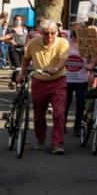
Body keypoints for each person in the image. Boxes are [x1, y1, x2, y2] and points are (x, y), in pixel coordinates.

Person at [18, 19, 69, 153]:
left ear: (57, 32)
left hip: (58, 80)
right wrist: (22, 73)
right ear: (41, 33)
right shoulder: (33, 43)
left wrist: (55, 69)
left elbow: (62, 60)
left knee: (58, 113)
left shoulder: (63, 42)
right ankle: (40, 139)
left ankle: (57, 143)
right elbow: (26, 59)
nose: (50, 36)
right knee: (39, 114)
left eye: (53, 33)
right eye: (46, 33)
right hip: (39, 81)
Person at [65, 23, 93, 137]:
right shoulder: (66, 43)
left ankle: (77, 126)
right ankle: (62, 124)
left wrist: (91, 67)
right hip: (67, 77)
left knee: (81, 102)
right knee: (66, 102)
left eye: (82, 31)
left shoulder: (89, 45)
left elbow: (94, 59)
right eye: (78, 32)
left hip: (82, 78)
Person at [4, 14, 29, 83]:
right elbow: (5, 39)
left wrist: (27, 46)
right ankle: (18, 82)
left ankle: (14, 80)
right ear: (14, 20)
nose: (18, 21)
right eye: (17, 20)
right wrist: (10, 41)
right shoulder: (10, 29)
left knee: (22, 66)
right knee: (18, 66)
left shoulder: (24, 29)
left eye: (19, 20)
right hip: (13, 49)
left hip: (23, 49)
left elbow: (27, 38)